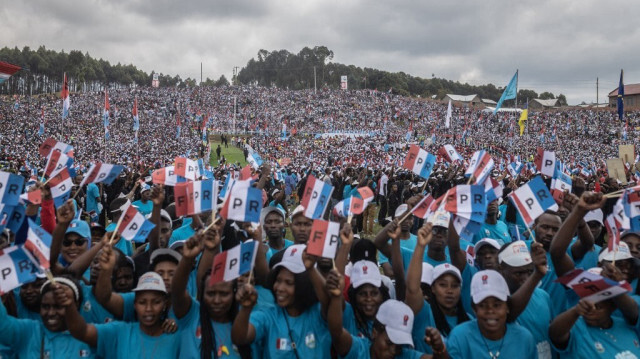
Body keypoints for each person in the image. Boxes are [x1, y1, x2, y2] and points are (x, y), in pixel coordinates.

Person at [231, 244, 332, 358]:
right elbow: (240, 338)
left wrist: (310, 269)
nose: (279, 288)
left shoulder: (318, 314)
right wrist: (245, 309)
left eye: (289, 283)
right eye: (278, 280)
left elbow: (330, 302)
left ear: (304, 285)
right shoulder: (268, 316)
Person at [57, 271, 182, 358]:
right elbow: (81, 332)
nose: (148, 308)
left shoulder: (175, 335)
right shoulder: (119, 332)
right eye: (142, 302)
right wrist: (69, 306)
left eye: (156, 302)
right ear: (134, 304)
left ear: (165, 304)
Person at [327, 269, 448, 359]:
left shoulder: (403, 355)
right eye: (389, 343)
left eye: (399, 346)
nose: (394, 350)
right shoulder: (357, 350)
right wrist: (336, 296)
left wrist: (439, 349)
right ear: (374, 333)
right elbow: (336, 332)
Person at [446, 270, 537, 358]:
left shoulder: (524, 338)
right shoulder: (459, 337)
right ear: (474, 309)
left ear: (507, 307)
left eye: (496, 305)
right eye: (483, 305)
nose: (490, 311)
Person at [0, 275, 95, 358]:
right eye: (45, 306)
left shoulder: (91, 337)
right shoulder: (29, 331)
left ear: (75, 305)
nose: (51, 313)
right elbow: (2, 323)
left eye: (58, 306)